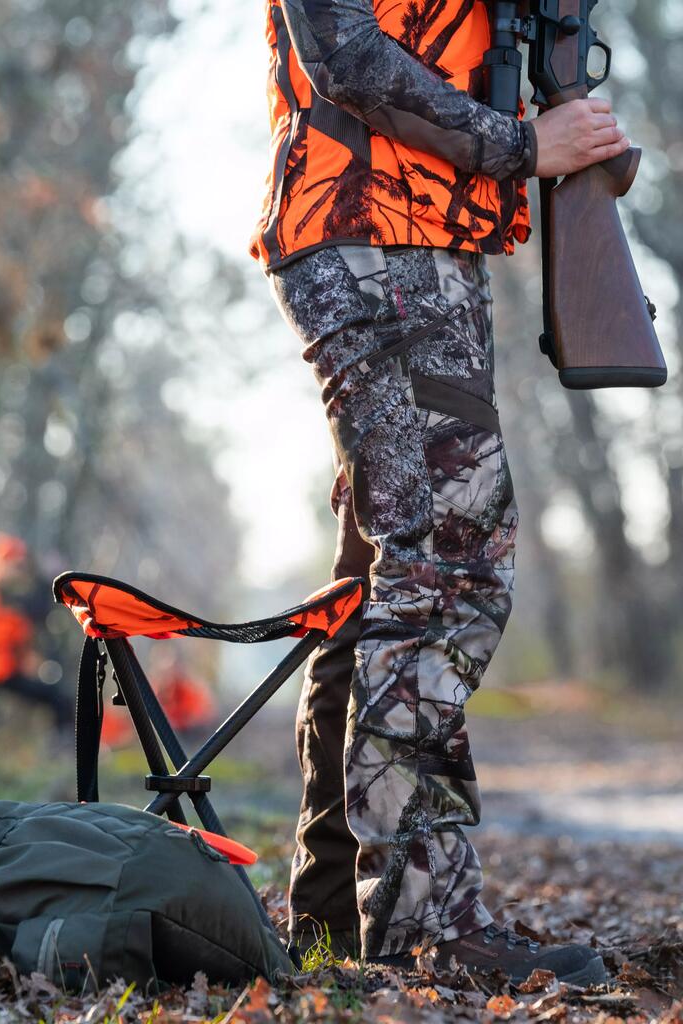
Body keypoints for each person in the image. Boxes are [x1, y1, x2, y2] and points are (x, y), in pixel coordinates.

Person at [252, 0, 627, 986]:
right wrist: (515, 143)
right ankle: (427, 923)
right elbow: (341, 51)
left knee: (385, 574)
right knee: (444, 567)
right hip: (373, 235)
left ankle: (335, 918)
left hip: (417, 240)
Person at [0, 533, 73, 731]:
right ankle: (64, 749)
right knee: (59, 700)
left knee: (59, 699)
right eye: (15, 565)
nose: (19, 571)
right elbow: (15, 623)